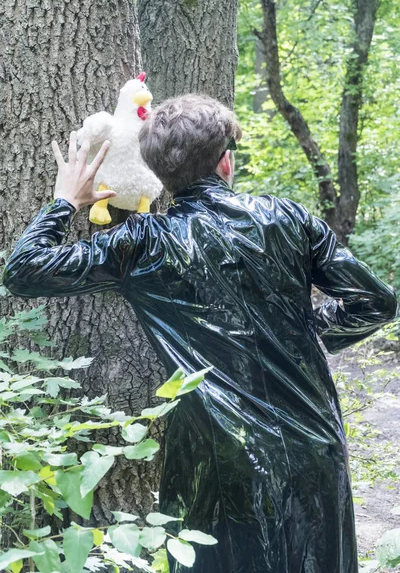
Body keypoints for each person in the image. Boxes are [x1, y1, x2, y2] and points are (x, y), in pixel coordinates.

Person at [3, 94, 398, 573]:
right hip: (310, 441)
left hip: (215, 452)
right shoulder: (286, 218)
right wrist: (308, 330)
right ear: (226, 160)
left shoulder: (144, 241)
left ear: (159, 173)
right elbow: (374, 302)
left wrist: (65, 200)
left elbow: (24, 270)